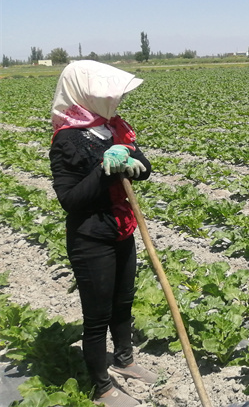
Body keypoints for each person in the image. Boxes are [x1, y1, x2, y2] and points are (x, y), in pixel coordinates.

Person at [49, 60, 157, 407]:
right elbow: (70, 200)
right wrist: (104, 169)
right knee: (97, 317)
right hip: (90, 237)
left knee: (123, 303)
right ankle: (101, 387)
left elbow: (145, 169)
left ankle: (124, 359)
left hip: (122, 230)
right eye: (110, 95)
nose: (116, 101)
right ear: (85, 94)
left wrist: (128, 155)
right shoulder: (67, 138)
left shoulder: (113, 129)